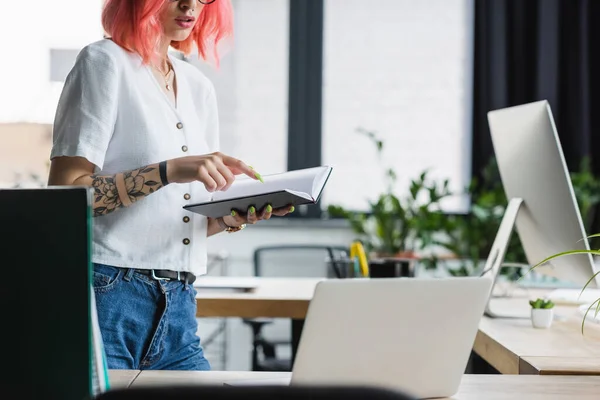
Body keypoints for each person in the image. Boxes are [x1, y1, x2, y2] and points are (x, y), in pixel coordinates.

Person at [47, 0, 293, 371]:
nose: (189, 5)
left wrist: (227, 218)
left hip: (180, 302)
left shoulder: (197, 85)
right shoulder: (103, 62)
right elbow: (65, 195)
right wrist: (167, 170)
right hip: (108, 295)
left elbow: (176, 219)